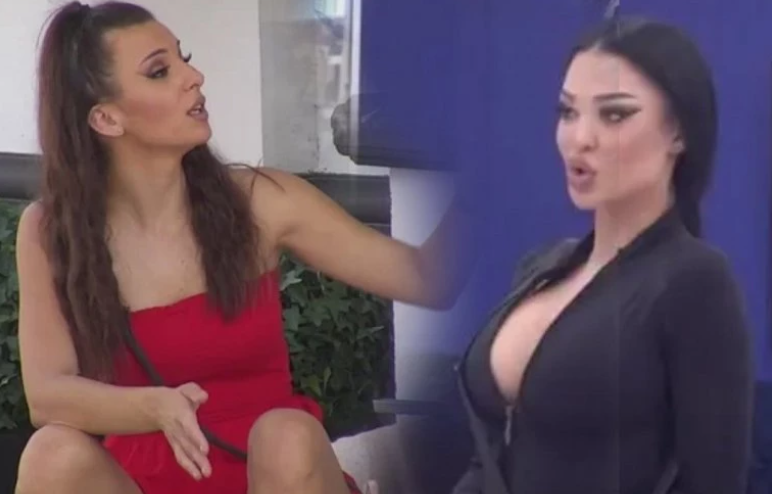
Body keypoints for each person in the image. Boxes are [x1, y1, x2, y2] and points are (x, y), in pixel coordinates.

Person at [13, 2, 474, 494]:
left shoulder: (259, 202)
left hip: (277, 473)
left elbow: (428, 278)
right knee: (52, 455)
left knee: (287, 435)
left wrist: (496, 165)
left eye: (184, 58)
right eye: (160, 71)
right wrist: (152, 406)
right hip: (143, 477)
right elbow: (48, 396)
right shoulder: (50, 232)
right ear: (106, 118)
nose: (194, 77)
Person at [452, 17, 754, 494]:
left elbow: (714, 480)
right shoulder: (543, 266)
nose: (579, 138)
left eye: (614, 115)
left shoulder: (695, 280)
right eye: (568, 112)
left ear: (679, 132)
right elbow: (495, 451)